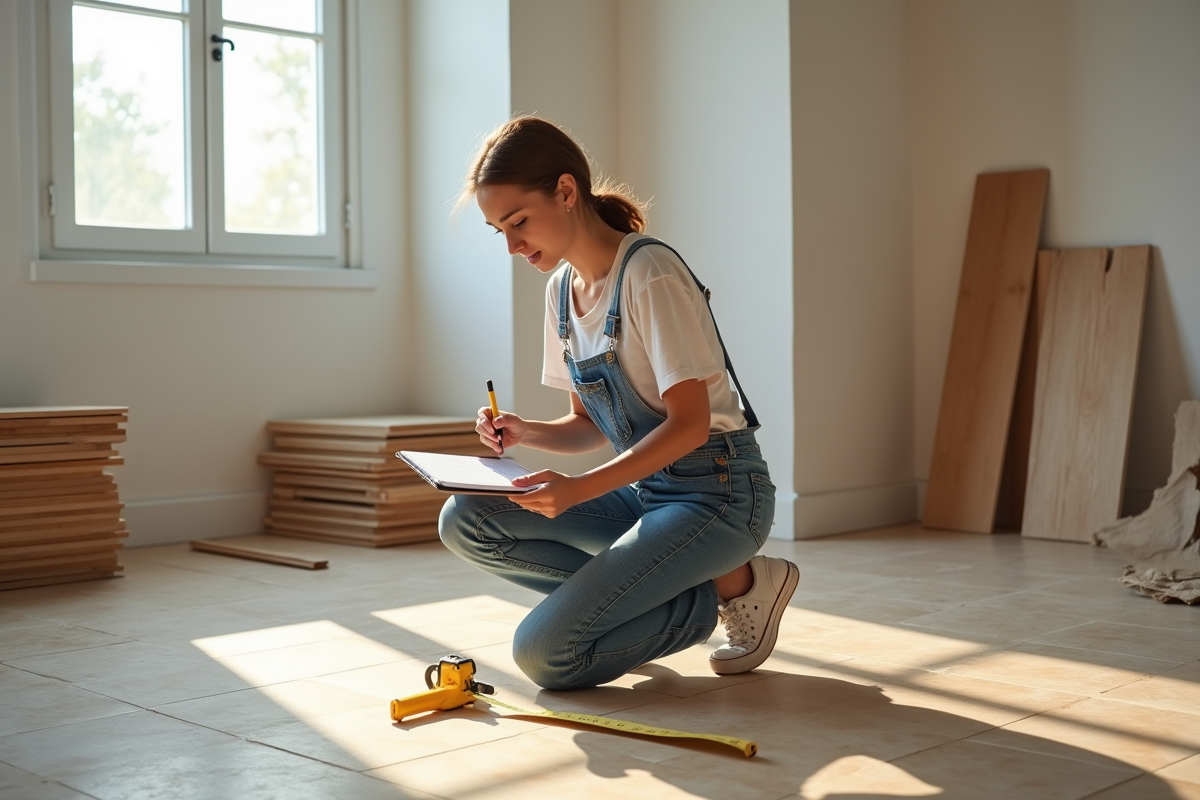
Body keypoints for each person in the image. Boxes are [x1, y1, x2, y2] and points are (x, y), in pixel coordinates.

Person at [439, 116, 798, 691]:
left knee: (546, 656)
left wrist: (579, 489)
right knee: (465, 518)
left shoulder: (649, 274)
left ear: (565, 191)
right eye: (497, 230)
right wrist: (525, 430)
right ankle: (672, 592)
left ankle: (707, 598)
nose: (511, 246)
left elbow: (688, 426)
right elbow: (590, 427)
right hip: (652, 495)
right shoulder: (560, 291)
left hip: (720, 496)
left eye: (518, 222)